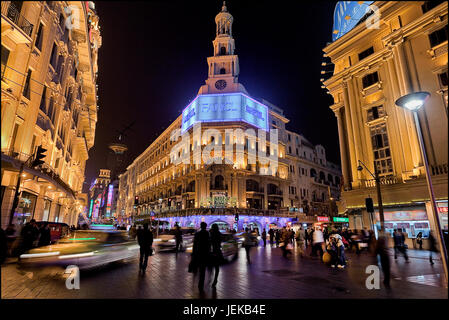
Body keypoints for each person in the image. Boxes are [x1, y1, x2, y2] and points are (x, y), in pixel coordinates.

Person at [192, 222, 211, 291]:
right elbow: (209, 244)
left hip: (198, 252)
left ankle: (198, 282)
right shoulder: (207, 233)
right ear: (205, 227)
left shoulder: (197, 234)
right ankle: (201, 285)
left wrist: (193, 253)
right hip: (205, 253)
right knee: (203, 269)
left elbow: (195, 244)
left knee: (199, 268)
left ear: (200, 226)